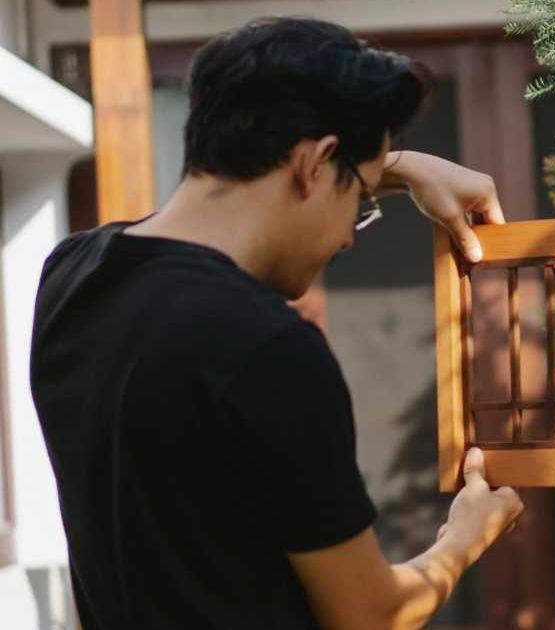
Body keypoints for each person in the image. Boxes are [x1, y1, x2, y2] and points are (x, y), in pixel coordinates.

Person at [30, 16, 522, 630]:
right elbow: (371, 615)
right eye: (359, 200)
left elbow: (199, 231)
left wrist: (385, 167)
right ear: (313, 164)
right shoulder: (268, 347)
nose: (348, 235)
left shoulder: (73, 275)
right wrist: (466, 537)